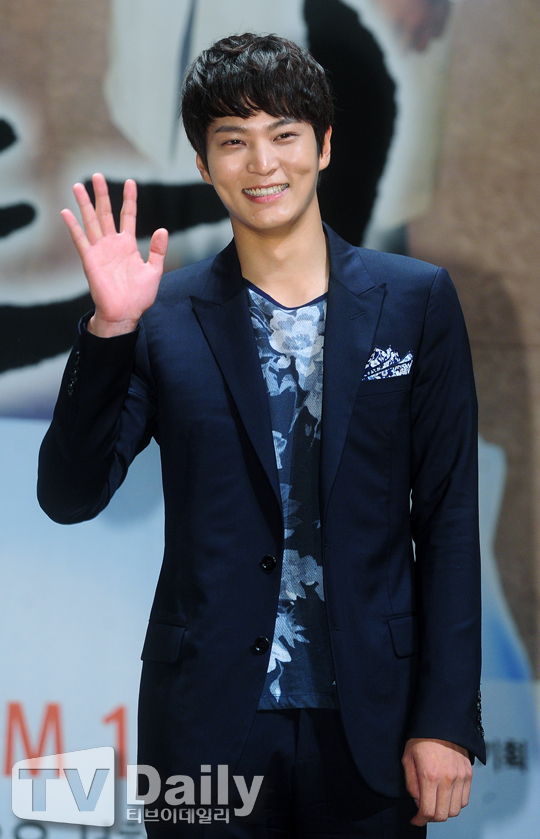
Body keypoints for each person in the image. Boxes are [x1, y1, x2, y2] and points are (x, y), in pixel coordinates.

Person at [38, 32, 485, 837]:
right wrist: (109, 329)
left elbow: (449, 517)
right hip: (201, 726)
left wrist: (446, 718)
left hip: (374, 720)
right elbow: (69, 494)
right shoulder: (162, 317)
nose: (262, 163)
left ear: (324, 144)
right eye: (233, 141)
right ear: (204, 163)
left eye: (283, 133)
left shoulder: (416, 301)